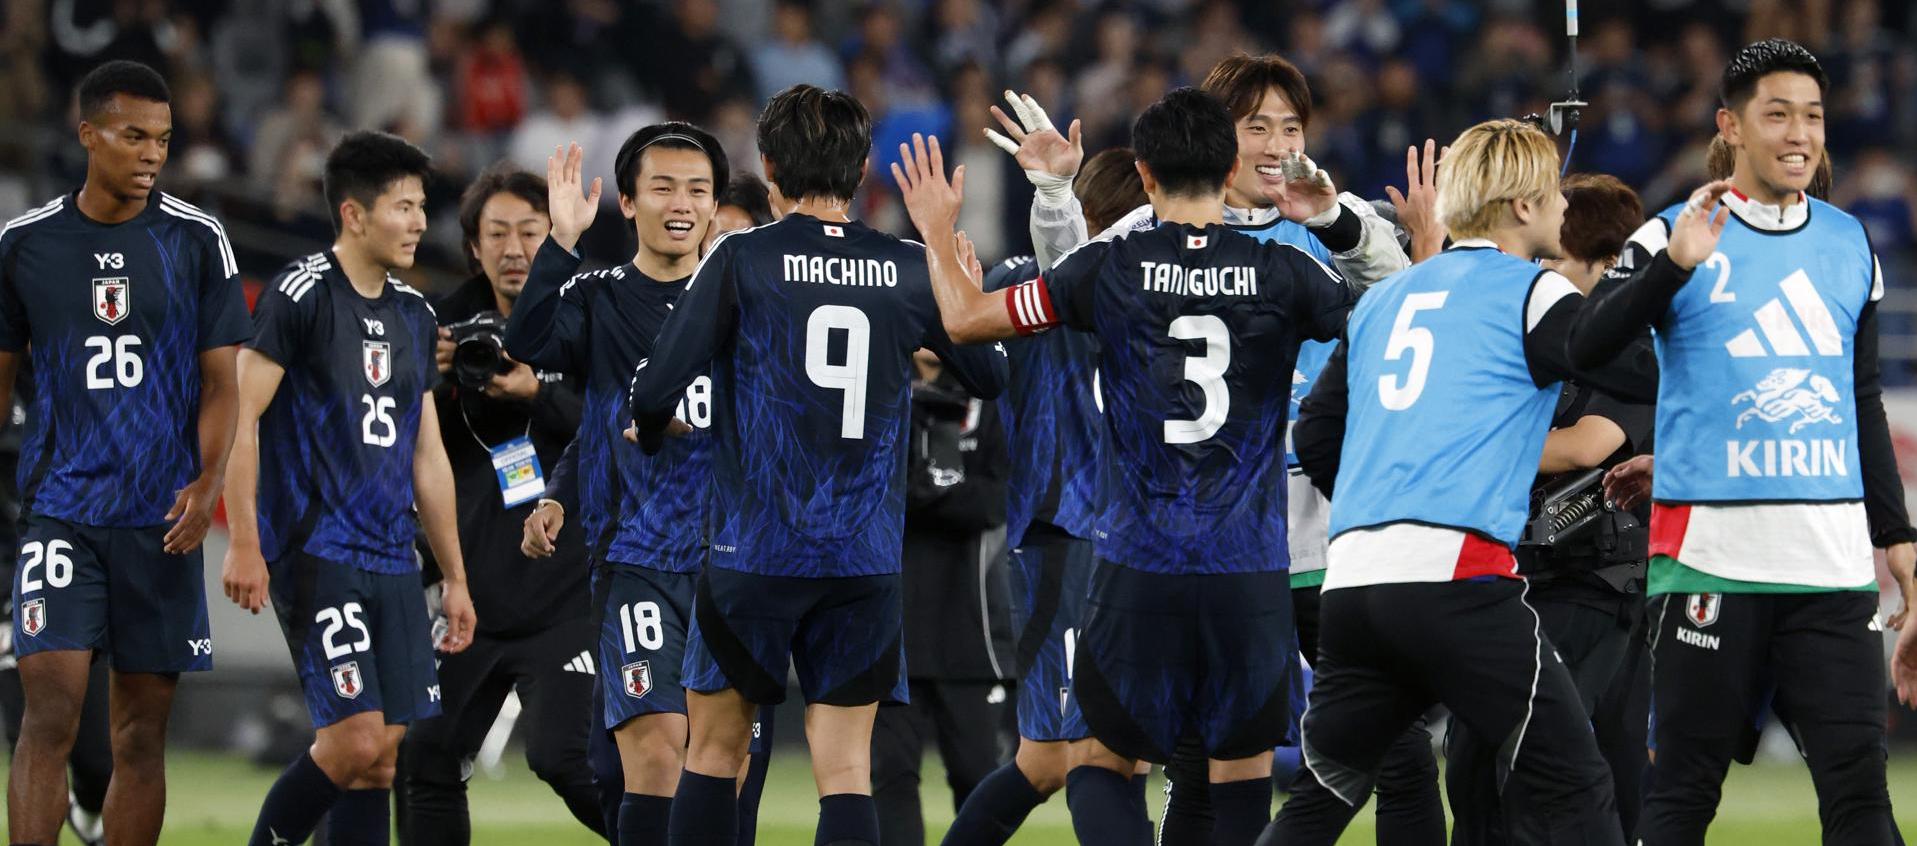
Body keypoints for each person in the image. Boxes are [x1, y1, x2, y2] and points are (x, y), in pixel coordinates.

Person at [991, 55, 1439, 842]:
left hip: (1333, 534)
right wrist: (1055, 196)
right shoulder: (1148, 229)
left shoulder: (1333, 219)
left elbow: (1404, 310)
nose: (1275, 144)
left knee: (1396, 755)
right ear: (1221, 145)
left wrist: (1338, 218)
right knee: (1204, 762)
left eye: (1291, 126)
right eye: (1255, 125)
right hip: (1235, 552)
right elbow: (1069, 283)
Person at [894, 86, 1355, 846]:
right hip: (1248, 568)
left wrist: (939, 232)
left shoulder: (1109, 267)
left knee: (1101, 760)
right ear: (1232, 163)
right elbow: (1382, 315)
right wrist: (1354, 228)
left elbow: (967, 320)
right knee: (1237, 770)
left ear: (1143, 176)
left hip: (1136, 565)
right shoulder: (1284, 273)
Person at [628, 83, 1007, 846]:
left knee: (713, 751)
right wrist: (946, 259)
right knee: (845, 771)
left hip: (755, 551)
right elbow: (991, 375)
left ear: (766, 165)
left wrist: (650, 419)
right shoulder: (905, 266)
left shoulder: (740, 256)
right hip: (863, 558)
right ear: (862, 168)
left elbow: (657, 384)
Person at [1567, 39, 1915, 845]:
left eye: (1813, 117)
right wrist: (1673, 268)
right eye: (1777, 115)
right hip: (1708, 559)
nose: (1799, 134)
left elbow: (1859, 399)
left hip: (1829, 570)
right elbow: (1584, 344)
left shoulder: (1846, 243)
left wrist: (1895, 536)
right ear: (1730, 125)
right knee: (1681, 794)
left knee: (1860, 795)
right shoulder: (1669, 234)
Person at [1279, 118, 1641, 846]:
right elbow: (1636, 375)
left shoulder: (1387, 297)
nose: (1564, 210)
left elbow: (1315, 435)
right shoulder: (1532, 291)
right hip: (1455, 580)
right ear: (1520, 207)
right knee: (1576, 782)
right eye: (1551, 196)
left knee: (1321, 800)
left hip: (1351, 580)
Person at [0, 59, 248, 846]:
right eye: (133, 136)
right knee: (51, 713)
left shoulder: (197, 240)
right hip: (61, 509)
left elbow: (222, 385)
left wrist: (208, 484)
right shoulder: (24, 246)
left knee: (140, 734)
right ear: (88, 135)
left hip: (160, 518)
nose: (151, 154)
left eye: (164, 140)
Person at [222, 130, 478, 846]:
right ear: (353, 214)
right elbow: (243, 420)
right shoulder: (299, 295)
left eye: (422, 206)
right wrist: (244, 541)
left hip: (395, 557)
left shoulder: (416, 315)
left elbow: (427, 453)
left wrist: (454, 577)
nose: (420, 222)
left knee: (381, 758)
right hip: (316, 549)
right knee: (354, 742)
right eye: (402, 206)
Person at [503, 121, 731, 846]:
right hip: (634, 556)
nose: (681, 203)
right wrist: (560, 241)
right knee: (656, 750)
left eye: (697, 189)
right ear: (627, 203)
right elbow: (526, 344)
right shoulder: (598, 295)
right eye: (662, 186)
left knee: (726, 764)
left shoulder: (742, 296)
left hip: (736, 558)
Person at [935, 147, 1150, 846]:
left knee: (1054, 758)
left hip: (1087, 539)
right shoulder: (1135, 281)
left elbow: (963, 366)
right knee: (1087, 755)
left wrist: (959, 295)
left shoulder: (1020, 282)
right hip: (1070, 535)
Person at [1442, 173, 1656, 846]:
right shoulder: (1537, 341)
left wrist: (1465, 434)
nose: (1538, 275)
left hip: (1594, 584)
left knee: (1542, 761)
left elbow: (1581, 446)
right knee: (1483, 765)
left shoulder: (1628, 349)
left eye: (1553, 260)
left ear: (1604, 263)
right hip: (1521, 577)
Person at [394, 162, 602, 845]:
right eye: (497, 233)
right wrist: (430, 380)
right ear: (474, 245)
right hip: (474, 595)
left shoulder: (594, 313)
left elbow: (624, 425)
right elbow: (402, 445)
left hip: (569, 594)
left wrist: (536, 393)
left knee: (565, 758)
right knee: (423, 755)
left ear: (556, 237)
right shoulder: (438, 326)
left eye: (530, 232)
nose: (514, 249)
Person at [871, 346, 1013, 846]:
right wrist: (940, 492)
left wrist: (920, 492)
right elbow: (874, 492)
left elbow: (995, 502)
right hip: (892, 624)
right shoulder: (878, 384)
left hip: (970, 625)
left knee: (978, 777)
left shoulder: (988, 391)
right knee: (890, 775)